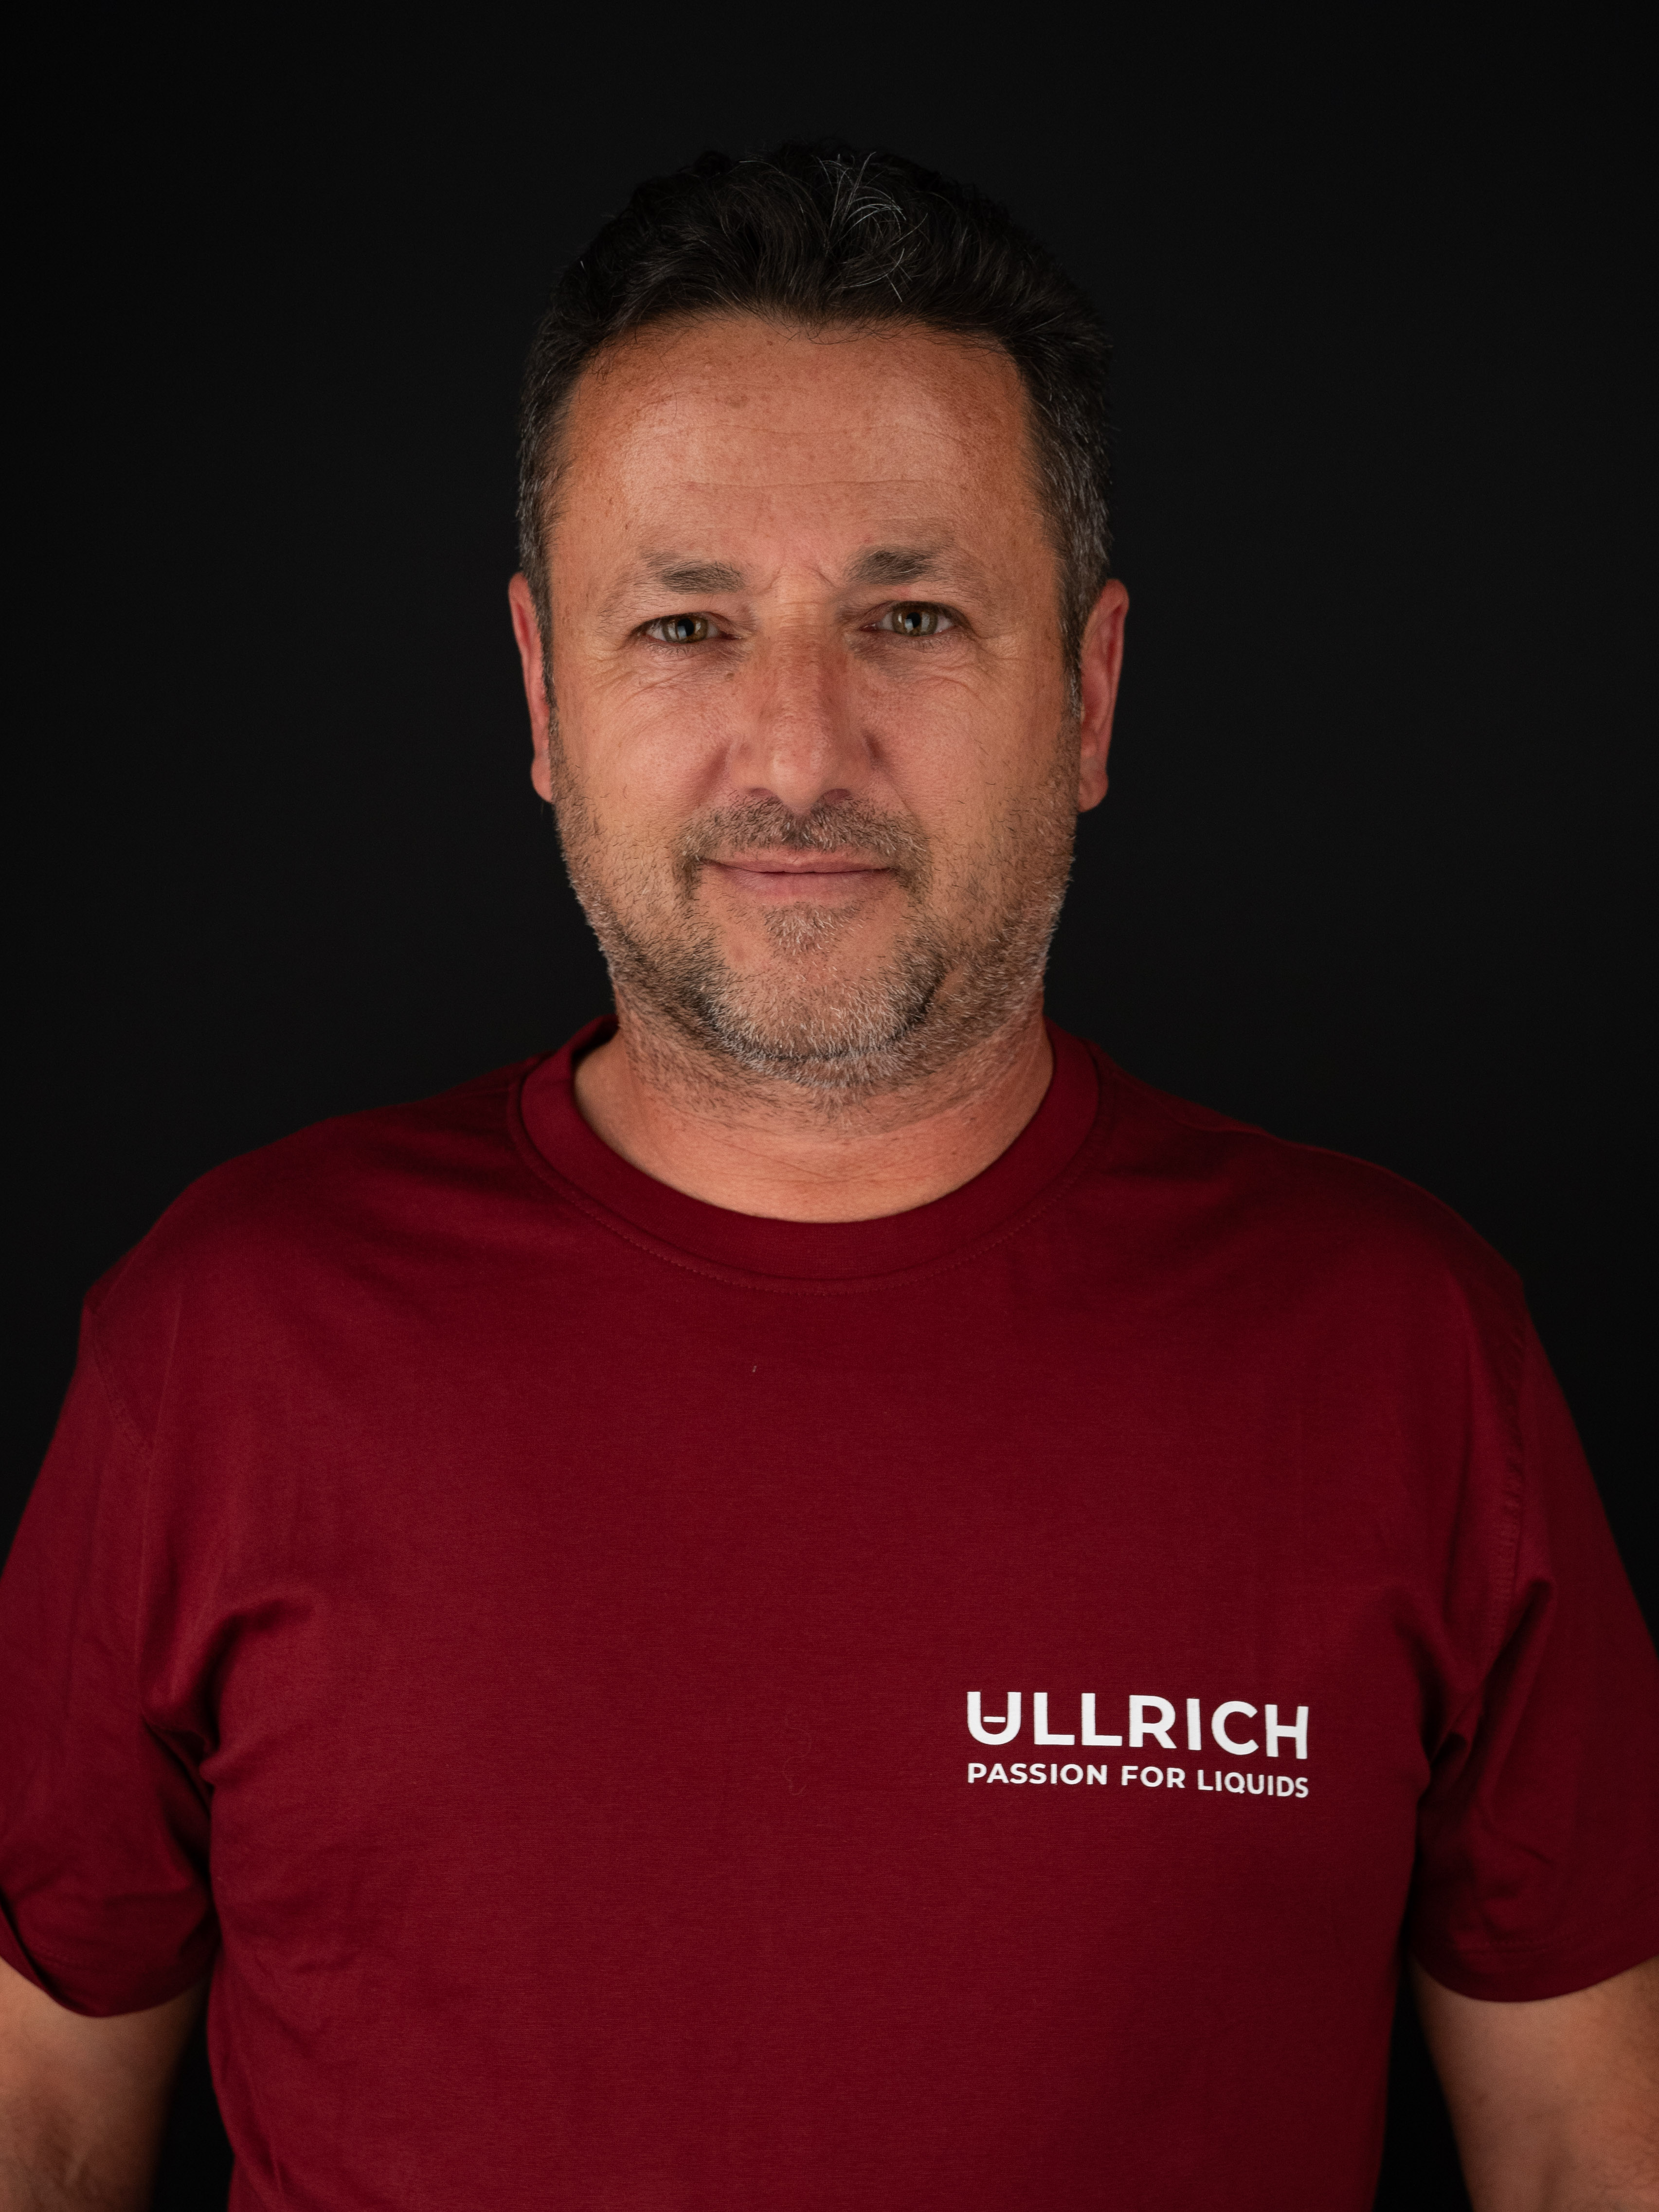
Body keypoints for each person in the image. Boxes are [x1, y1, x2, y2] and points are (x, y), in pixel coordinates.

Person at [2, 143, 1656, 2212]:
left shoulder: (1403, 1350)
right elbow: (38, 2117)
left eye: (912, 616)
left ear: (1089, 694)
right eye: (688, 622)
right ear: (543, 693)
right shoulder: (227, 1339)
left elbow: (1587, 2153)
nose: (796, 750)